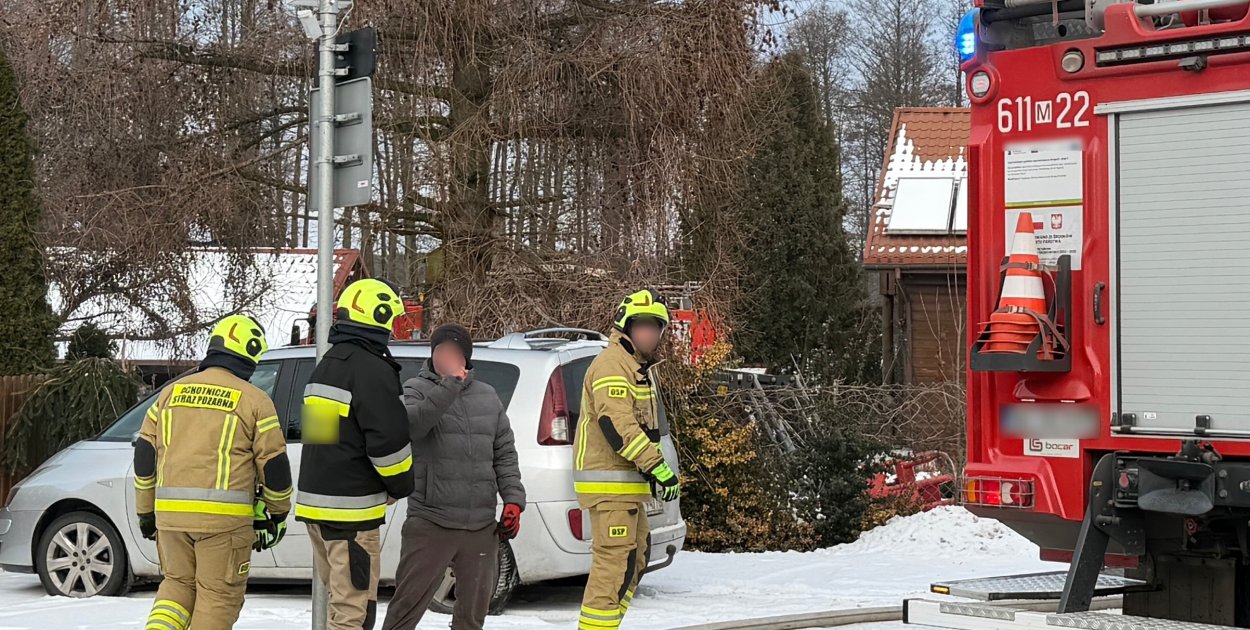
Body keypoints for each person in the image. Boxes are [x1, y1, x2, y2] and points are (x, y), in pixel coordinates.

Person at [135, 314, 292, 630]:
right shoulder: (255, 400)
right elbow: (274, 465)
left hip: (171, 520)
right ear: (250, 353)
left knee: (176, 588)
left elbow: (144, 455)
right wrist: (277, 513)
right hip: (223, 524)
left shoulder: (170, 394)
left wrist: (146, 512)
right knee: (217, 598)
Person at [382, 323, 526, 630]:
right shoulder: (415, 389)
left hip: (480, 525)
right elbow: (413, 426)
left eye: (453, 351)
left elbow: (504, 453)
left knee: (473, 615)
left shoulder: (487, 396)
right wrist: (449, 385)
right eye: (441, 351)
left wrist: (514, 500)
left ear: (465, 357)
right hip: (431, 520)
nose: (446, 356)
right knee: (406, 608)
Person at [295, 278, 415, 630]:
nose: (394, 330)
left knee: (345, 605)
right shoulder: (373, 370)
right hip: (351, 516)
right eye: (392, 320)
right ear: (379, 317)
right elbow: (388, 443)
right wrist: (401, 485)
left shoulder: (329, 364)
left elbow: (321, 439)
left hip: (319, 510)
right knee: (352, 613)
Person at [574, 289, 680, 630]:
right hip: (610, 488)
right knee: (612, 568)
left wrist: (650, 474)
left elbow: (642, 429)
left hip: (627, 488)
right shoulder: (612, 364)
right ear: (626, 326)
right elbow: (617, 424)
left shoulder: (635, 366)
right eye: (642, 326)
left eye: (655, 327)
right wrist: (657, 467)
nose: (649, 333)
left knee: (634, 561)